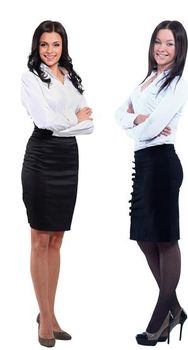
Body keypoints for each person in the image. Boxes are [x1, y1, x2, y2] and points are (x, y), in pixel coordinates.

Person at [114, 20, 188, 346]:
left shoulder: (177, 85)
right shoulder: (148, 80)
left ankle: (160, 317)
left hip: (162, 164)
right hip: (143, 165)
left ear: (179, 48)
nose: (162, 48)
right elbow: (120, 114)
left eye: (169, 43)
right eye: (158, 42)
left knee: (164, 240)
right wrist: (136, 121)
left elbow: (152, 128)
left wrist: (139, 123)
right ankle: (174, 309)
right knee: (144, 237)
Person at [21, 19, 93, 348]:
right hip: (42, 158)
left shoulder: (71, 79)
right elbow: (44, 121)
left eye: (56, 45)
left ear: (64, 47)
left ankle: (48, 312)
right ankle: (46, 318)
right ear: (37, 47)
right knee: (39, 239)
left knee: (56, 242)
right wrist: (73, 121)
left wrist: (73, 122)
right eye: (44, 45)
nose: (50, 51)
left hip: (68, 159)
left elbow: (88, 123)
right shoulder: (30, 78)